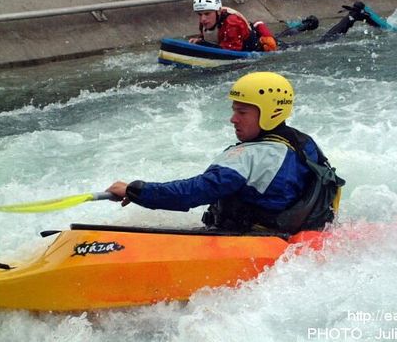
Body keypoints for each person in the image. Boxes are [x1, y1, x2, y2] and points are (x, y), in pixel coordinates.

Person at [107, 72, 345, 234]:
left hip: (251, 239)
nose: (233, 119)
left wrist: (136, 191)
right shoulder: (304, 142)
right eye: (234, 111)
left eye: (242, 112)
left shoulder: (250, 156)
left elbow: (193, 193)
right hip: (293, 232)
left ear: (270, 112)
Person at [188, 0, 277, 52]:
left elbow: (231, 50)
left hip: (257, 49)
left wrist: (203, 44)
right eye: (200, 14)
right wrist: (199, 40)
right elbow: (209, 38)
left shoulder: (232, 22)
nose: (203, 19)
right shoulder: (205, 21)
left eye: (207, 13)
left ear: (218, 11)